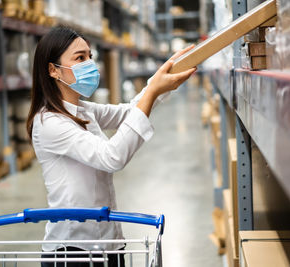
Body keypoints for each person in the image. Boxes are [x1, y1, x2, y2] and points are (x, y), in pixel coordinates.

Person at [26, 26, 196, 267]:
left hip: (108, 243)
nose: (90, 65)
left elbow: (129, 112)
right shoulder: (50, 122)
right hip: (73, 252)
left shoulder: (82, 110)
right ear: (53, 70)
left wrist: (161, 82)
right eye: (80, 58)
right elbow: (111, 156)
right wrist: (154, 90)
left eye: (90, 57)